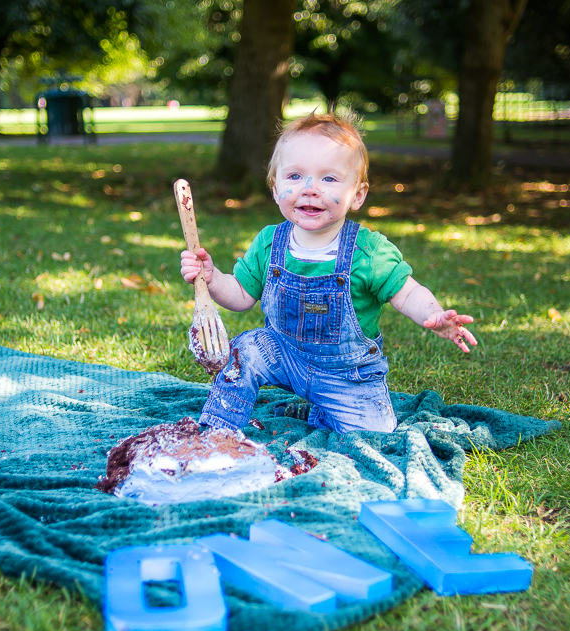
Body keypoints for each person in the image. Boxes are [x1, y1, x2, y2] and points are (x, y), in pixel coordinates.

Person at [180, 111, 477, 435]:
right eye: (294, 177)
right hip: (284, 356)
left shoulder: (368, 251)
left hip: (348, 375)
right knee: (246, 349)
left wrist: (433, 314)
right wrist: (213, 278)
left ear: (358, 194)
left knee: (377, 435)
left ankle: (325, 410)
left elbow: (407, 292)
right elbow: (240, 295)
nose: (310, 189)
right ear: (275, 188)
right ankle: (216, 431)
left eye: (329, 178)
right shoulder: (270, 243)